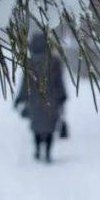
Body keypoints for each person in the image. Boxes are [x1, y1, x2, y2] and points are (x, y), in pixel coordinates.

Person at [15, 33, 67, 162]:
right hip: (52, 100)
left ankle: (38, 149)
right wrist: (62, 96)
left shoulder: (29, 62)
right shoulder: (55, 61)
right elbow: (59, 82)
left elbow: (25, 83)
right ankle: (48, 153)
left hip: (34, 100)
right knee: (50, 126)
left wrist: (20, 98)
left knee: (36, 126)